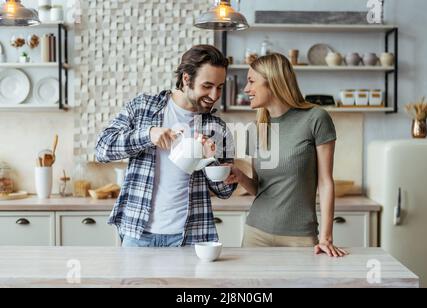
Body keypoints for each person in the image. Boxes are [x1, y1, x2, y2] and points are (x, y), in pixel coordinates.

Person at [96, 45, 237, 247]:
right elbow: (102, 148)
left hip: (190, 236)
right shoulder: (143, 107)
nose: (214, 95)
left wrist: (210, 161)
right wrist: (147, 135)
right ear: (187, 79)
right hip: (138, 233)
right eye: (207, 86)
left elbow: (225, 191)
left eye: (220, 87)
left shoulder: (217, 128)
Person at [224, 53, 348, 257]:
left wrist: (326, 237)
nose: (246, 89)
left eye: (251, 81)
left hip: (299, 238)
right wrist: (238, 175)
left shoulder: (316, 118)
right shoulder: (256, 129)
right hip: (255, 234)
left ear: (272, 81)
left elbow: (325, 182)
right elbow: (259, 188)